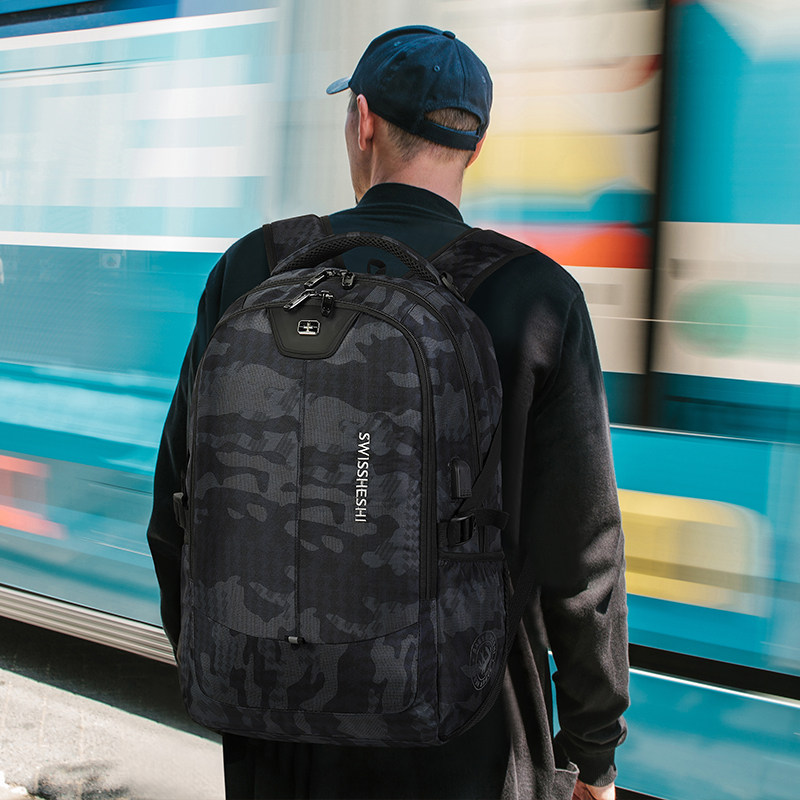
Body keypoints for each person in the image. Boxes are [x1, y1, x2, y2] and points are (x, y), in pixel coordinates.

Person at [147, 25, 629, 800]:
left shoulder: (252, 268)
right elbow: (583, 557)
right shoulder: (535, 297)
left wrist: (234, 672)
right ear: (475, 145)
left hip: (279, 739)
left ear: (363, 121)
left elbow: (177, 510)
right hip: (463, 731)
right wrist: (593, 751)